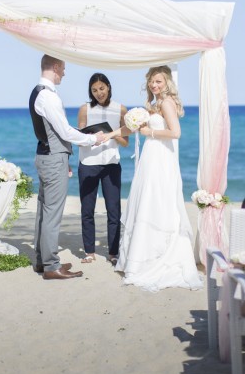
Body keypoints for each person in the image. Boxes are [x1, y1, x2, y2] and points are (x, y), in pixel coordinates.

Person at [105, 65, 203, 292]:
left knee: (158, 201)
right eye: (152, 82)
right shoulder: (152, 105)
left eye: (158, 81)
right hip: (150, 158)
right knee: (146, 201)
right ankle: (139, 257)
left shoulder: (167, 103)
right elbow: (131, 130)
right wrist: (110, 135)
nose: (154, 85)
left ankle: (156, 256)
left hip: (161, 158)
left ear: (167, 82)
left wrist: (150, 133)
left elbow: (175, 132)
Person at [29, 54, 106, 280]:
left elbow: (53, 132)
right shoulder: (48, 96)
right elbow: (64, 132)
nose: (64, 72)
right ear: (55, 67)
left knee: (44, 212)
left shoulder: (37, 91)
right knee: (52, 213)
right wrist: (93, 139)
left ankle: (42, 260)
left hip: (46, 156)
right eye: (63, 68)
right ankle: (52, 266)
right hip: (53, 159)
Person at [77, 73, 128, 264]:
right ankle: (89, 252)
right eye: (94, 90)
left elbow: (125, 143)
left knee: (113, 211)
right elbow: (79, 139)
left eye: (101, 88)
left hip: (111, 165)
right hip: (88, 165)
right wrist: (90, 137)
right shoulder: (85, 109)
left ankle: (113, 253)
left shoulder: (121, 109)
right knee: (87, 210)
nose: (99, 93)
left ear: (108, 86)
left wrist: (111, 134)